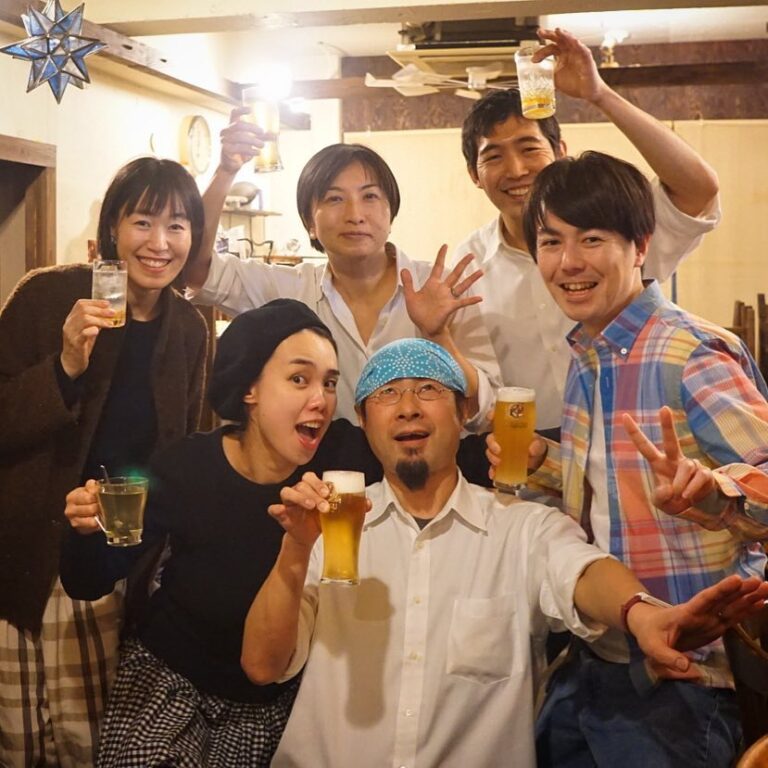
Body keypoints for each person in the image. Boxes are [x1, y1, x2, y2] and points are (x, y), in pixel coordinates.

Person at [239, 338, 768, 768]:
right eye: (387, 394)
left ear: (464, 412)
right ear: (363, 419)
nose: (407, 407)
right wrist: (296, 549)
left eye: (428, 389)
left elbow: (583, 573)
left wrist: (643, 614)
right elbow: (262, 666)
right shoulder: (327, 527)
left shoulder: (521, 527)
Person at [509, 150, 768, 767]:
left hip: (687, 674)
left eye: (592, 239)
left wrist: (715, 493)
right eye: (551, 241)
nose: (569, 262)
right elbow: (609, 491)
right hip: (597, 656)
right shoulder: (588, 355)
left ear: (640, 246)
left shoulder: (690, 351)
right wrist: (544, 461)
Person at [60, 300, 385, 767]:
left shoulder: (343, 459)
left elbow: (439, 454)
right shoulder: (187, 466)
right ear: (249, 388)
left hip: (272, 702)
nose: (321, 399)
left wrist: (501, 449)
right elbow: (89, 579)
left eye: (330, 383)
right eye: (299, 379)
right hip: (170, 680)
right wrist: (87, 528)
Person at [0, 157, 208, 768]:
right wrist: (65, 365)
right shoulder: (47, 296)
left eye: (177, 226)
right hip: (23, 553)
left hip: (115, 562)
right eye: (142, 221)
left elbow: (184, 451)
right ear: (112, 227)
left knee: (89, 741)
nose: (159, 242)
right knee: (18, 739)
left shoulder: (189, 328)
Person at [454, 27, 721, 429]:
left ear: (560, 152)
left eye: (529, 148)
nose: (516, 169)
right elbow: (480, 395)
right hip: (528, 449)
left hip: (640, 433)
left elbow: (698, 189)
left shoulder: (612, 226)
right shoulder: (466, 266)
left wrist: (599, 95)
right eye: (494, 157)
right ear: (474, 175)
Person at [185, 138, 501, 429]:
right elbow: (197, 269)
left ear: (390, 214)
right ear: (310, 223)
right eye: (335, 198)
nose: (355, 214)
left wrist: (439, 337)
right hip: (321, 470)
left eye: (370, 196)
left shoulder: (440, 289)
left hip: (426, 468)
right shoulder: (288, 292)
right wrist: (226, 171)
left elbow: (488, 410)